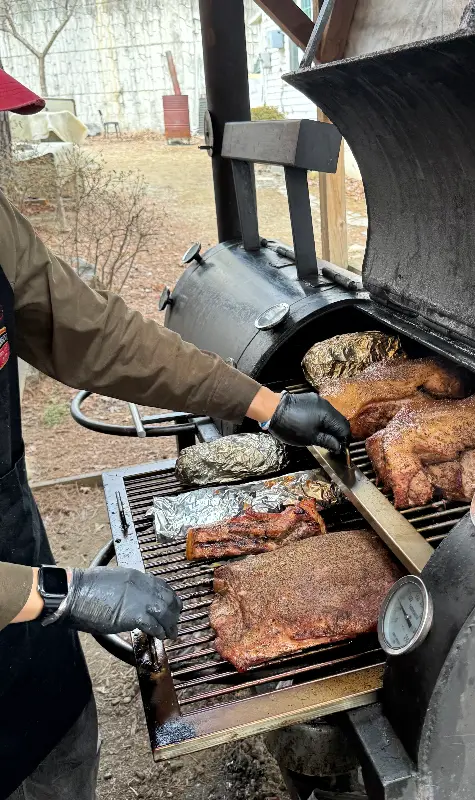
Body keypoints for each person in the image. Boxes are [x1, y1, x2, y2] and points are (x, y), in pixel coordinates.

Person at [0, 71, 350, 800]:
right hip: (22, 591)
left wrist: (266, 404)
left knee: (56, 751)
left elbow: (93, 334)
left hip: (10, 552)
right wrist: (55, 593)